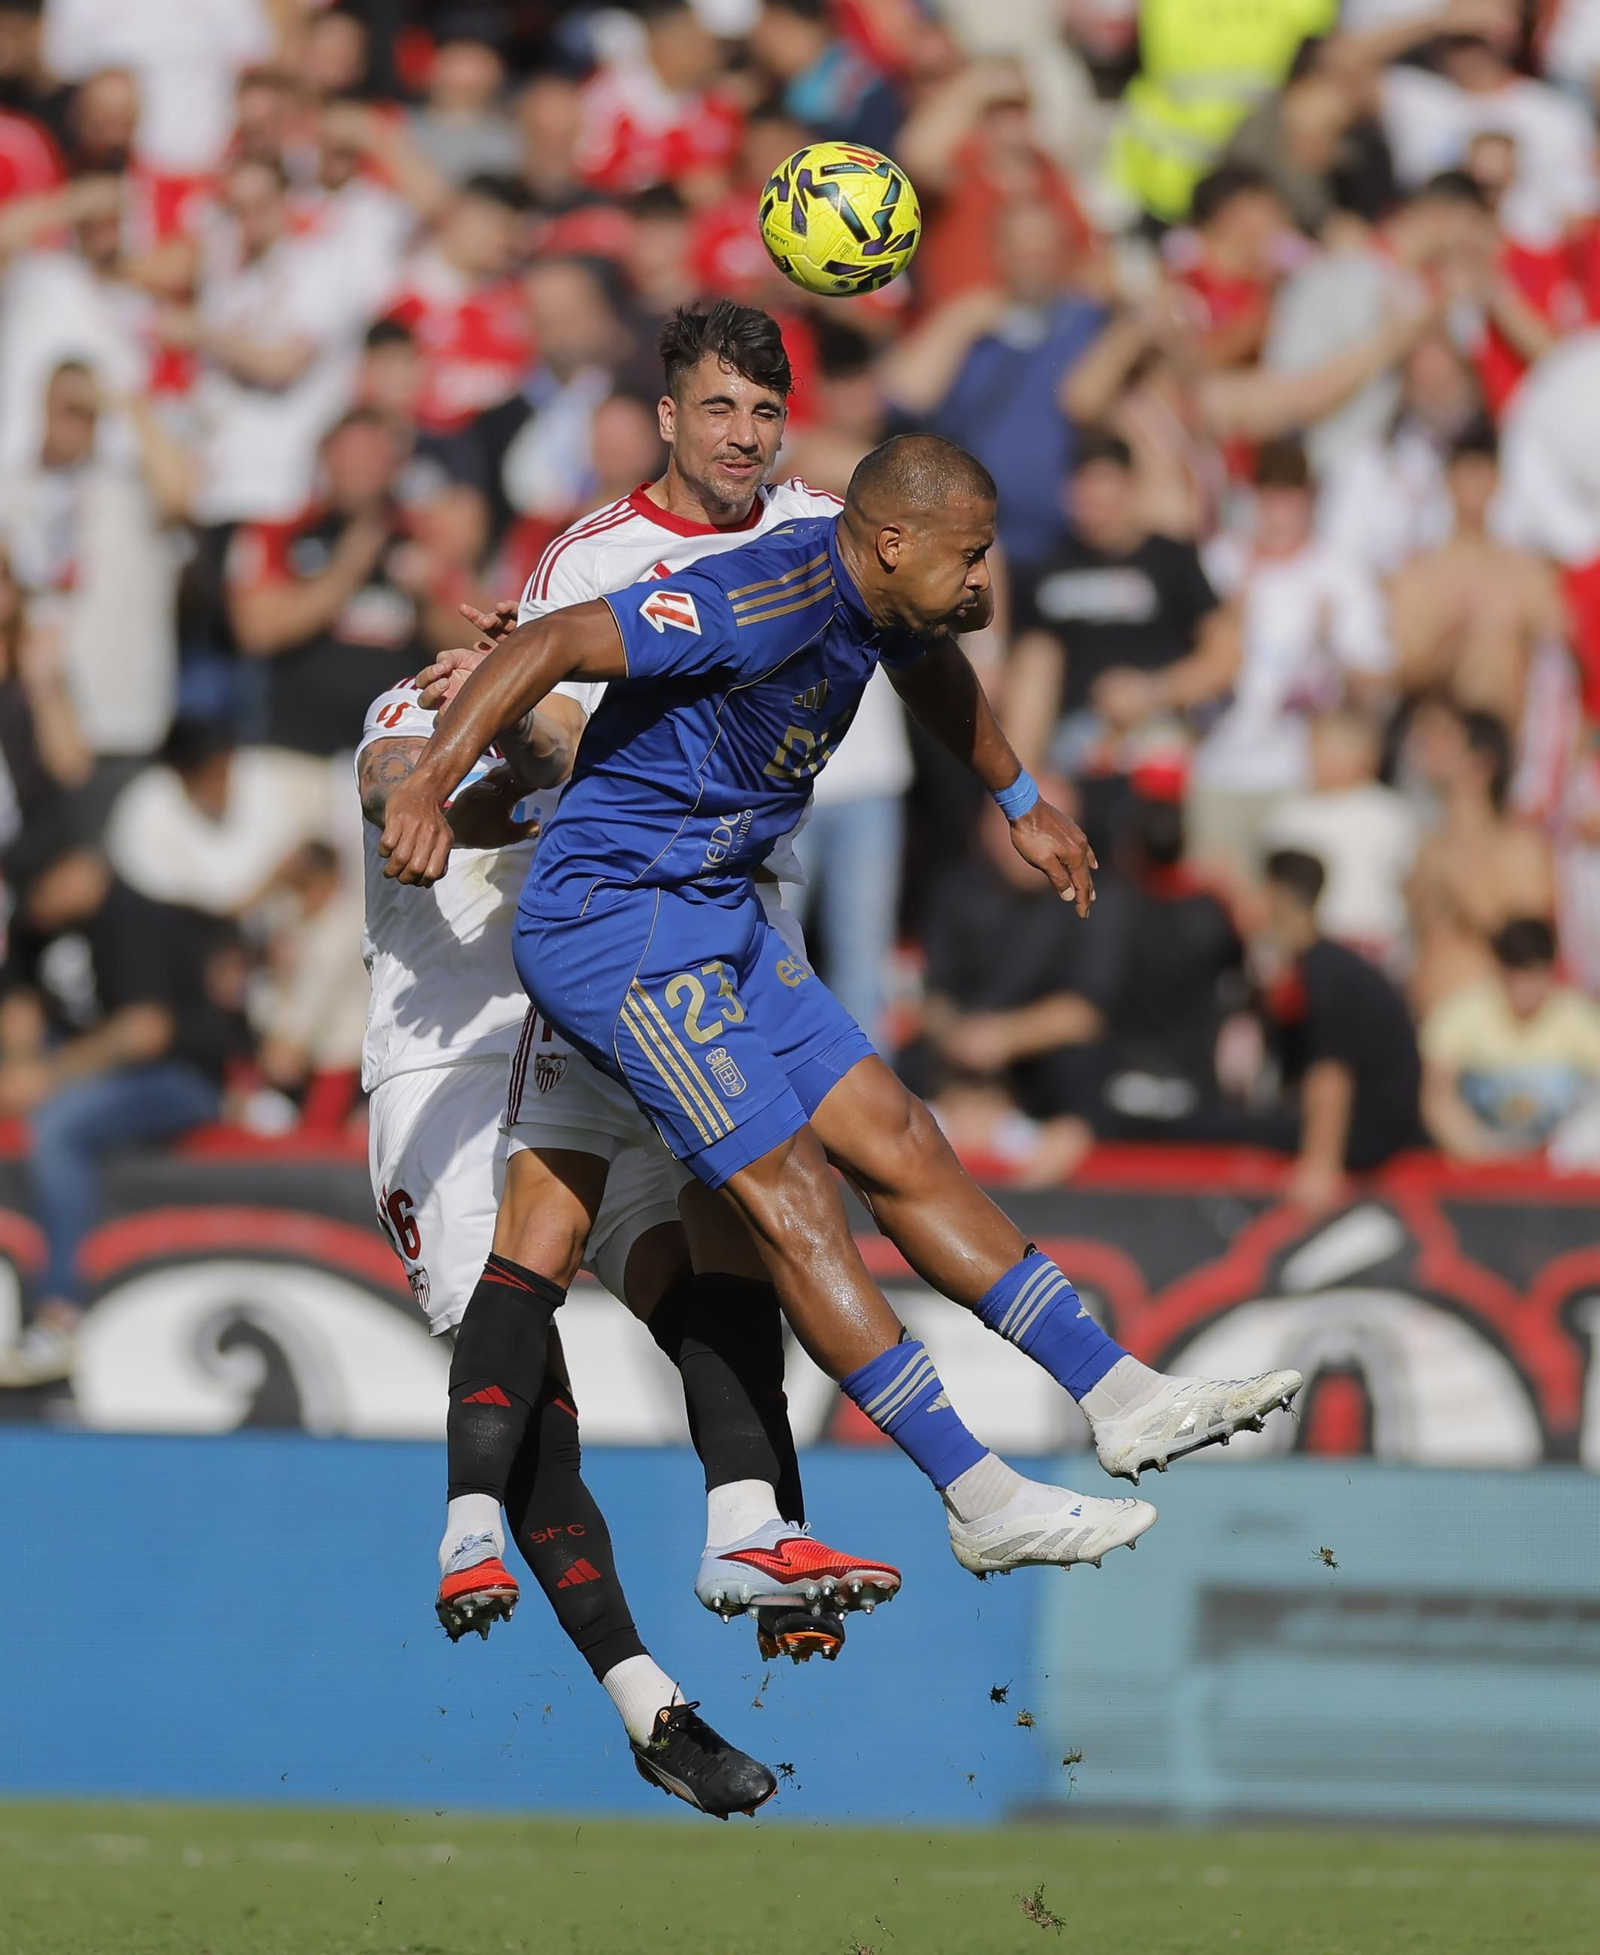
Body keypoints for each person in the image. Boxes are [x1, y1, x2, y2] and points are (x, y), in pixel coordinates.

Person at [381, 430, 1301, 1599]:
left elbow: (927, 666)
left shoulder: (886, 602)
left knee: (900, 1134)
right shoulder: (754, 595)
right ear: (893, 541)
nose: (982, 583)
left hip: (717, 908)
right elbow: (560, 637)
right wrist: (427, 778)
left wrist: (1020, 798)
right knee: (795, 1192)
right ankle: (979, 1494)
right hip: (620, 930)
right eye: (969, 559)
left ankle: (1121, 1395)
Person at [368, 302, 901, 1664]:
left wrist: (1010, 779)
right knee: (592, 1267)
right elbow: (515, 752)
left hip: (705, 935)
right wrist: (485, 715)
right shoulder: (576, 575)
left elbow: (927, 604)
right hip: (553, 982)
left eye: (763, 412)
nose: (742, 436)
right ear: (668, 417)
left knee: (759, 1225)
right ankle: (597, 1589)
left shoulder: (816, 530)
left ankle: (764, 1531)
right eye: (716, 408)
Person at [0, 844, 245, 1386]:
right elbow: (19, 998)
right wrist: (19, 1064)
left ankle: (58, 1315)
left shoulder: (132, 916)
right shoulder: (39, 925)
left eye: (43, 887)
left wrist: (45, 1075)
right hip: (99, 1075)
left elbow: (145, 1031)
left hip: (183, 1077)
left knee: (58, 1128)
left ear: (75, 868)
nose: (36, 903)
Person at [1006, 430, 1232, 856]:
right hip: (1073, 768)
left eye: (1105, 484)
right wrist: (1025, 783)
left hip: (1161, 764)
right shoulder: (1044, 567)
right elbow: (1031, 674)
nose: (1093, 499)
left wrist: (1152, 691)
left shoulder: (1173, 559)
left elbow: (1225, 656)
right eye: (1083, 485)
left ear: (1130, 487)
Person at [1188, 438, 1392, 877]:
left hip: (1298, 775)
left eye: (1292, 496)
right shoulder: (1217, 564)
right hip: (1216, 769)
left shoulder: (1341, 573)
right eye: (1270, 495)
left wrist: (1331, 648)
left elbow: (1375, 683)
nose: (1279, 511)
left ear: (1311, 499)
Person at [1254, 849, 1424, 1211]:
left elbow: (1332, 1070)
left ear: (1277, 896)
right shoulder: (1324, 966)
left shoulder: (1325, 973)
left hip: (1368, 1135)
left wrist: (1320, 1165)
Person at [1388, 420, 1567, 735]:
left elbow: (1561, 658)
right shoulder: (1418, 574)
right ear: (1448, 480)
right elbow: (1404, 674)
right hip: (1442, 749)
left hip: (1512, 748)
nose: (1475, 486)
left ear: (1498, 481)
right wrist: (1448, 645)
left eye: (1483, 473)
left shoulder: (1528, 571)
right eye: (1466, 473)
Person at [1420, 916, 1600, 1158]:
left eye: (1534, 974)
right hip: (1479, 1164)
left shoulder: (1579, 1017)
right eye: (1516, 974)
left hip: (1561, 1167)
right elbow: (1437, 1096)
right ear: (1499, 969)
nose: (1525, 987)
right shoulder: (1459, 1014)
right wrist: (1477, 1154)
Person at [1263, 708, 1420, 973]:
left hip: (1375, 947)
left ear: (1366, 756)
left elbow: (1410, 883)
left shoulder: (1392, 815)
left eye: (1333, 750)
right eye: (1316, 749)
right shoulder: (1288, 816)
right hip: (1309, 949)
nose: (1319, 759)